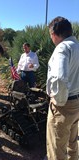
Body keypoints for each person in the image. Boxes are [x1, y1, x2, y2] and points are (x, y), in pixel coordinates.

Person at [46, 16, 79, 160]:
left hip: (63, 105)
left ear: (54, 34)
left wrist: (57, 101)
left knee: (57, 148)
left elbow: (59, 78)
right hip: (76, 102)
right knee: (72, 143)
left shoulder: (62, 48)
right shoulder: (77, 46)